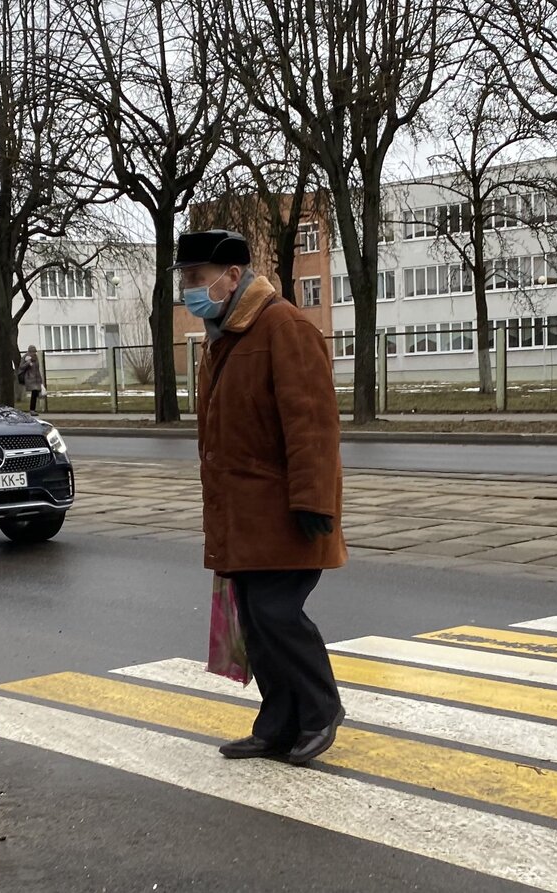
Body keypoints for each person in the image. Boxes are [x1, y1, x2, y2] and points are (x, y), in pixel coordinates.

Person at [174, 229, 347, 766]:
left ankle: (320, 711)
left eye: (197, 279)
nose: (189, 290)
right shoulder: (224, 335)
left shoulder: (284, 327)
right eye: (184, 279)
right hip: (243, 517)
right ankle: (276, 724)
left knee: (277, 615)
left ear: (232, 276)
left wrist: (314, 503)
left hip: (288, 513)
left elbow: (312, 424)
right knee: (256, 622)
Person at [18, 345, 44, 415]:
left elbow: (37, 369)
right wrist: (28, 363)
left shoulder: (36, 358)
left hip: (36, 378)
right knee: (34, 392)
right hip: (29, 378)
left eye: (35, 352)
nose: (34, 353)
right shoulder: (25, 357)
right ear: (29, 351)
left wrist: (40, 379)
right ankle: (32, 410)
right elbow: (21, 367)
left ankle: (34, 409)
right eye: (32, 352)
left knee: (36, 393)